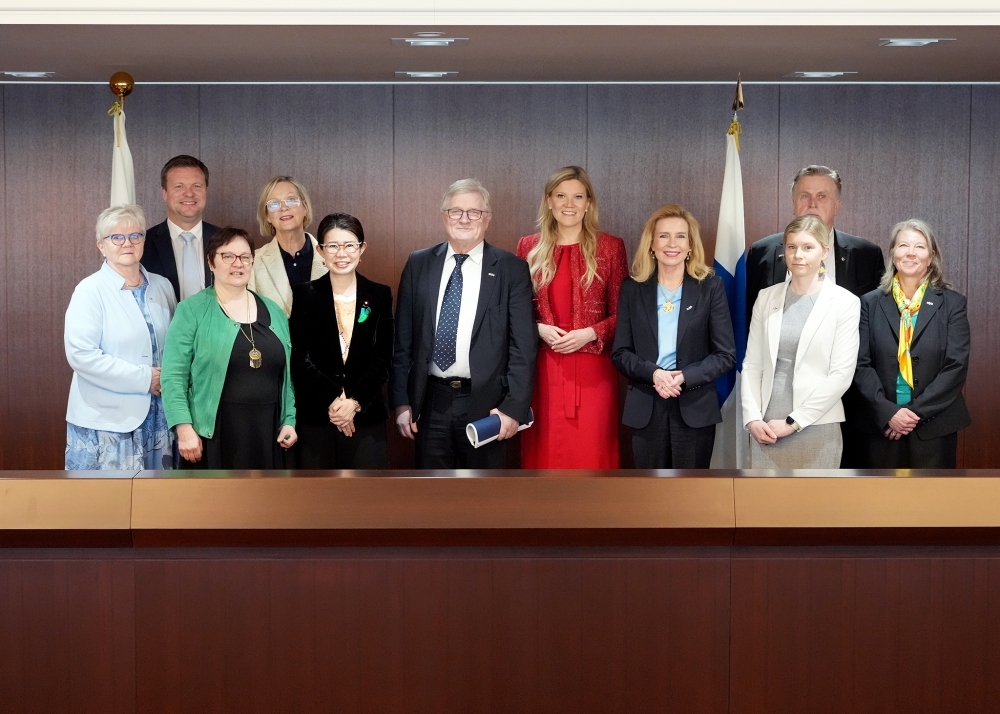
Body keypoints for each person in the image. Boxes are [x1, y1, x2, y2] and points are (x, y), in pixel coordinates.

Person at [390, 179, 537, 469]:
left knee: (484, 493)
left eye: (474, 212)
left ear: (488, 218)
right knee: (433, 491)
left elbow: (523, 347)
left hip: (487, 406)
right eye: (456, 211)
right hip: (429, 402)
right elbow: (403, 339)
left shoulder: (511, 269)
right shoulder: (418, 264)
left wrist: (512, 408)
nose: (464, 219)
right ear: (443, 216)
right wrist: (401, 400)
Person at [745, 165, 883, 468]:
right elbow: (752, 355)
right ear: (793, 202)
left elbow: (869, 340)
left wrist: (797, 420)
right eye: (804, 196)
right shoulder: (762, 254)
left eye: (822, 196)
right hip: (767, 415)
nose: (812, 203)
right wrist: (752, 416)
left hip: (840, 408)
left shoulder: (866, 255)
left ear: (837, 205)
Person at [515, 166, 628, 469]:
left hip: (594, 368)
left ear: (588, 203)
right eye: (561, 196)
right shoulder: (528, 247)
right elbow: (516, 311)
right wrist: (538, 329)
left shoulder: (610, 247)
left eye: (578, 197)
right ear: (549, 201)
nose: (569, 204)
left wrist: (591, 333)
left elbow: (624, 314)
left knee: (593, 448)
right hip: (543, 367)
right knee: (545, 450)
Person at [612, 205, 736, 468]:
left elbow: (725, 355)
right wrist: (655, 374)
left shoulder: (710, 287)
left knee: (691, 490)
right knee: (650, 490)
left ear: (690, 245)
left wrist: (684, 377)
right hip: (646, 405)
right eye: (663, 236)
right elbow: (621, 353)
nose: (672, 243)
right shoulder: (632, 289)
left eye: (680, 236)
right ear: (652, 244)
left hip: (694, 405)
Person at [162, 227, 297, 468]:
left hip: (268, 432)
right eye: (228, 256)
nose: (238, 263)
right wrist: (183, 428)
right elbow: (173, 376)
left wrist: (289, 420)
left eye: (245, 256)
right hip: (213, 433)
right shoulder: (192, 310)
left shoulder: (274, 310)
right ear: (211, 262)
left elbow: (287, 376)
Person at [742, 215, 860, 469]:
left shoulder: (845, 302)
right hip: (766, 426)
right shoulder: (766, 297)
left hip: (816, 425)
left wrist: (793, 422)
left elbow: (841, 375)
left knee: (814, 496)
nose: (798, 255)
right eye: (792, 247)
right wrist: (752, 419)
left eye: (808, 247)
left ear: (825, 252)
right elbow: (752, 365)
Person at [65, 204, 177, 469]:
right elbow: (82, 355)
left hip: (159, 417)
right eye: (116, 237)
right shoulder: (89, 290)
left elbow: (174, 345)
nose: (127, 243)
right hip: (107, 423)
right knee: (107, 496)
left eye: (135, 235)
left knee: (159, 495)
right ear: (101, 246)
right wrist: (145, 378)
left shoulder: (162, 286)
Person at [854, 219, 970, 468]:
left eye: (919, 247)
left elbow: (956, 366)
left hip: (934, 426)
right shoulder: (869, 303)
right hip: (880, 426)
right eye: (903, 245)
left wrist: (913, 414)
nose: (910, 253)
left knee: (930, 494)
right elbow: (860, 365)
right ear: (893, 253)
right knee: (882, 494)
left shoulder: (953, 304)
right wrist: (889, 413)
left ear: (931, 257)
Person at [290, 213, 394, 469]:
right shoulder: (305, 295)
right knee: (319, 492)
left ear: (362, 248)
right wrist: (336, 402)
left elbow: (383, 359)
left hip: (366, 416)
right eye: (333, 246)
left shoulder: (379, 294)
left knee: (365, 492)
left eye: (349, 245)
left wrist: (354, 402)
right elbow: (300, 360)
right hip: (319, 416)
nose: (341, 254)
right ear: (321, 251)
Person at [140, 155, 219, 302]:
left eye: (197, 186)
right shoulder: (142, 245)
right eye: (179, 186)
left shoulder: (227, 241)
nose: (189, 193)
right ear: (164, 193)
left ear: (206, 191)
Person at [248, 175, 328, 316]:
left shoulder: (332, 256)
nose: (284, 208)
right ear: (267, 216)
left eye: (291, 200)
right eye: (274, 204)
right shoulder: (254, 261)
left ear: (305, 208)